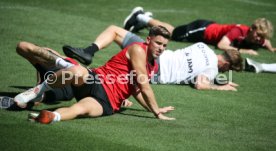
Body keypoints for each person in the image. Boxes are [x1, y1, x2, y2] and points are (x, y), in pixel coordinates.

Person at [14, 25, 175, 124]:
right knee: (77, 71)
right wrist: (157, 113)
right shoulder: (138, 49)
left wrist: (152, 108)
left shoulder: (153, 66)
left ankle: (49, 117)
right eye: (158, 43)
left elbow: (137, 90)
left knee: (79, 109)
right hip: (96, 80)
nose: (161, 48)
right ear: (148, 40)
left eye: (164, 45)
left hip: (107, 102)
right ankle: (38, 90)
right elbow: (145, 87)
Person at [63, 25, 243, 91]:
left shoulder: (203, 47)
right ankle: (70, 73)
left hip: (154, 52)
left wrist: (217, 79)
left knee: (114, 30)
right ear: (226, 64)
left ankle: (89, 51)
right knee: (107, 78)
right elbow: (200, 83)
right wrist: (222, 87)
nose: (225, 71)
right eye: (227, 69)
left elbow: (195, 65)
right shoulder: (212, 70)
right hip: (154, 70)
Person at [123, 7, 275, 55]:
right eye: (258, 36)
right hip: (202, 30)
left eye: (261, 37)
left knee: (173, 30)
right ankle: (141, 17)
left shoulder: (258, 38)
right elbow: (222, 46)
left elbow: (265, 41)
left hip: (207, 28)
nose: (259, 39)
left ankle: (143, 20)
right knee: (172, 33)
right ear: (253, 28)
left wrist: (271, 48)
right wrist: (245, 51)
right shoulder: (238, 31)